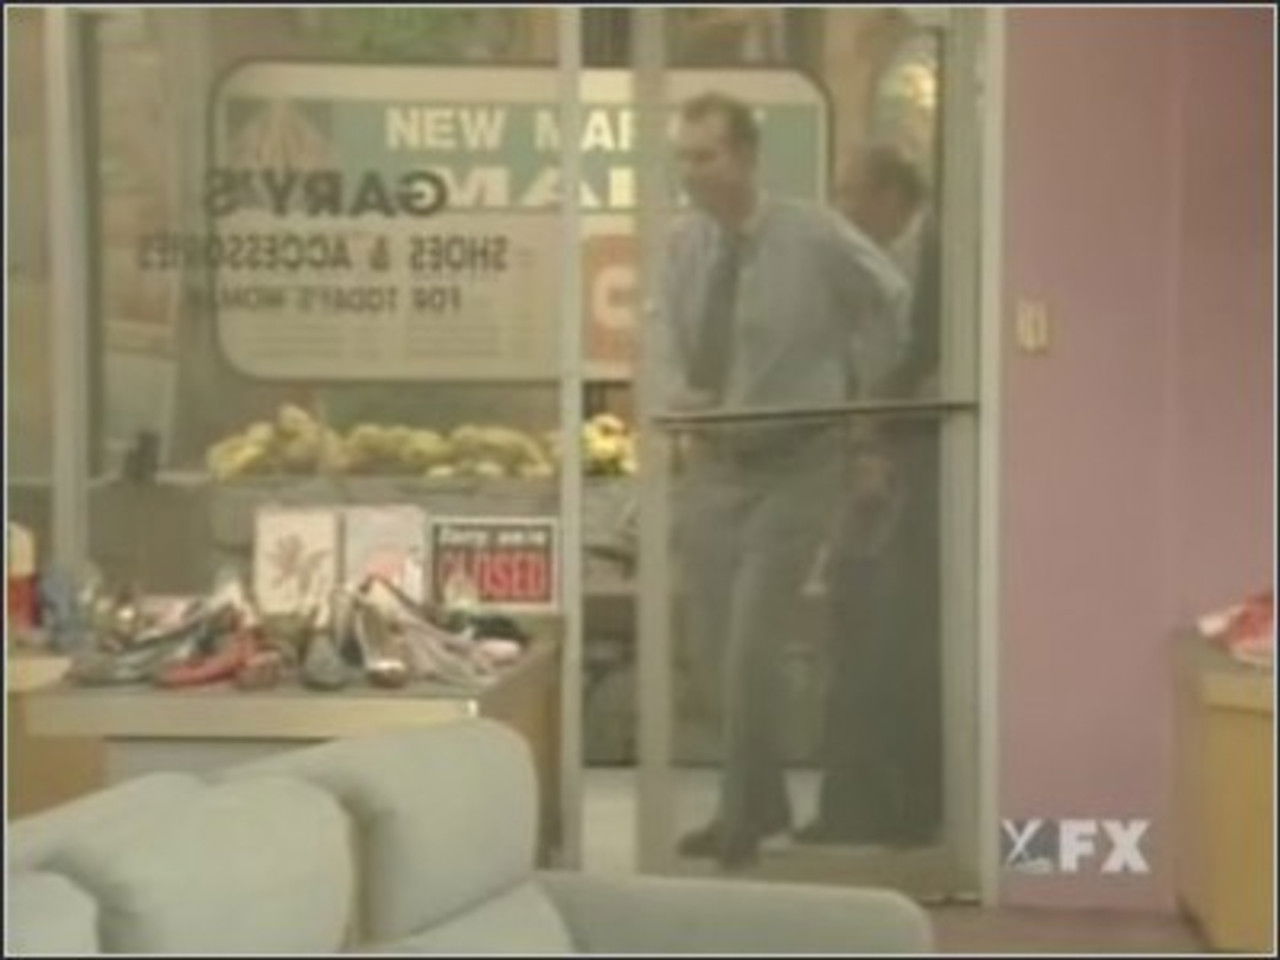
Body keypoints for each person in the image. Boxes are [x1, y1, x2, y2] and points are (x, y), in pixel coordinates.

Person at [659, 93, 910, 869]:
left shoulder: (813, 233)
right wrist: (679, 397)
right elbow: (670, 335)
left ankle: (740, 817)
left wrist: (865, 403)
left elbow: (890, 301)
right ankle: (761, 798)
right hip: (714, 465)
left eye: (706, 156)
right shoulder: (686, 243)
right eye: (684, 158)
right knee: (710, 650)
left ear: (745, 156)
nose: (693, 172)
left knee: (751, 651)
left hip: (797, 464)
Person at [797, 145, 944, 848]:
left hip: (906, 469)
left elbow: (915, 361)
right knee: (856, 635)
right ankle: (854, 807)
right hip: (870, 463)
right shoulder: (872, 265)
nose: (842, 209)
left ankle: (904, 808)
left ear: (890, 195)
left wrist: (876, 439)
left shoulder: (933, 258)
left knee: (893, 641)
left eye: (851, 193)